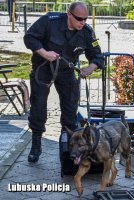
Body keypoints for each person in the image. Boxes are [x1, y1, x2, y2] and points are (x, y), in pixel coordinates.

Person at [23, 1, 105, 163]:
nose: (83, 22)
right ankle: (36, 144)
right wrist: (45, 53)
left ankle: (68, 148)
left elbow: (97, 55)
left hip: (67, 71)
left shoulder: (87, 32)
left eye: (85, 19)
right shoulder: (50, 21)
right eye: (79, 19)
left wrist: (90, 68)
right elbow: (29, 37)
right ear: (69, 14)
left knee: (70, 108)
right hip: (43, 68)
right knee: (38, 107)